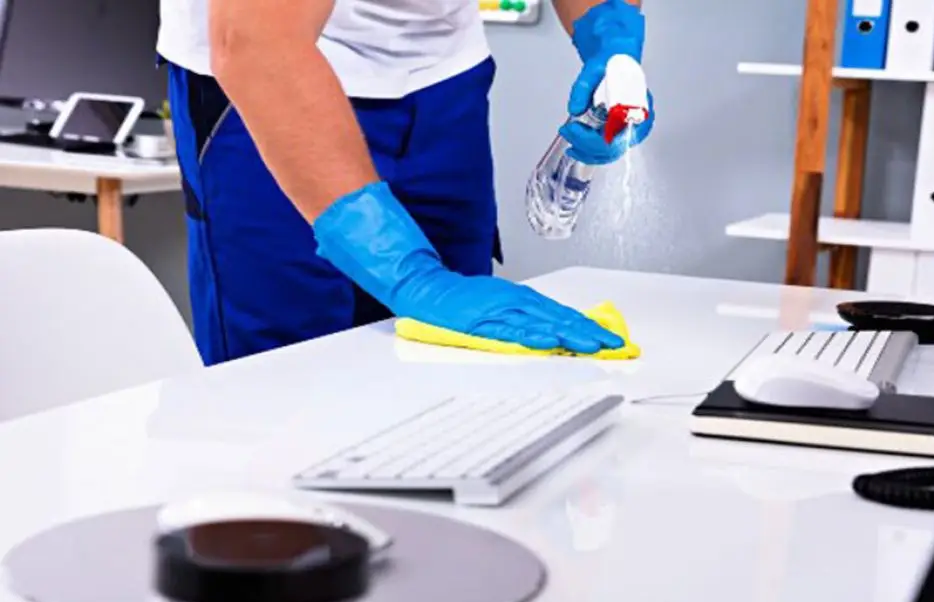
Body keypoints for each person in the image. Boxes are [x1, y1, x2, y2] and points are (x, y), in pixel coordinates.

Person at [156, 0, 654, 366]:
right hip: (272, 72)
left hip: (442, 75)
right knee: (285, 378)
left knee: (456, 367)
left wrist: (610, 37)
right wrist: (411, 276)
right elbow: (256, 44)